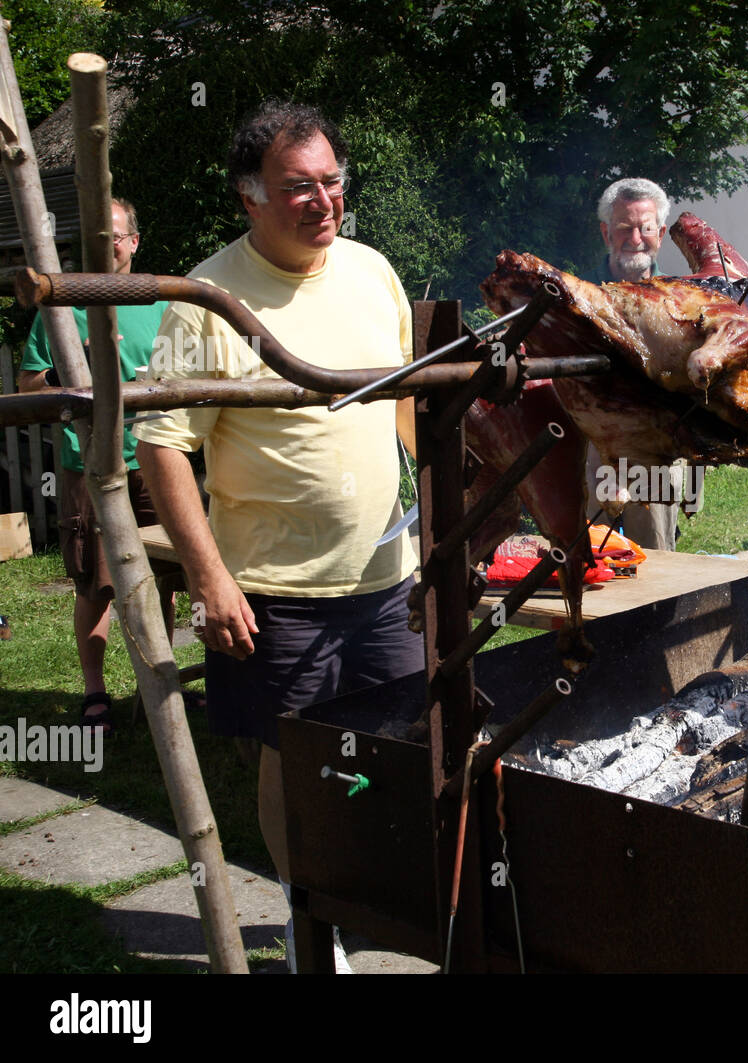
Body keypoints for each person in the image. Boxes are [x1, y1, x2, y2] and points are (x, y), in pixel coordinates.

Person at [134, 102, 422, 970]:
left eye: (332, 181)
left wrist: (434, 518)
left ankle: (366, 892)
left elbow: (408, 404)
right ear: (250, 197)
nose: (323, 200)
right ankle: (311, 923)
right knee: (294, 763)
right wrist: (211, 578)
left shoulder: (373, 272)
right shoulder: (206, 298)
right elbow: (163, 445)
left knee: (393, 746)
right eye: (300, 187)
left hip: (387, 577)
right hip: (278, 588)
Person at [17, 198, 170, 734]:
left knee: (162, 577)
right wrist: (70, 360)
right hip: (88, 465)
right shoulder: (61, 306)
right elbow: (28, 386)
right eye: (95, 239)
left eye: (115, 236)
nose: (106, 247)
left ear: (133, 243)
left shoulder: (161, 301)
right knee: (95, 583)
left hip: (156, 457)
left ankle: (160, 687)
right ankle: (95, 693)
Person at [586, 177, 697, 549]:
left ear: (660, 233)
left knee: (656, 554)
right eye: (624, 228)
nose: (635, 239)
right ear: (606, 233)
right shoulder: (579, 295)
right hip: (593, 448)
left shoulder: (681, 300)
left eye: (645, 228)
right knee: (593, 554)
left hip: (659, 444)